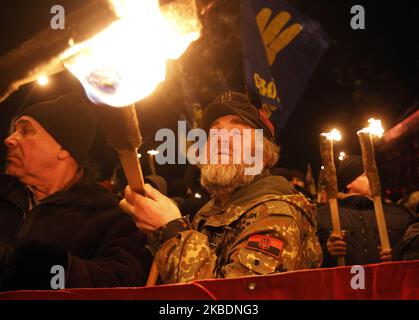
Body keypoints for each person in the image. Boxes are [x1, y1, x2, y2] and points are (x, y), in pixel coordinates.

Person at [121, 91, 322, 284]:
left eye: (237, 131)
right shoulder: (210, 212)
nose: (221, 138)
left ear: (264, 154)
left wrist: (173, 234)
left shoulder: (275, 215)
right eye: (214, 132)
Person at [0, 93, 151, 291]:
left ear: (64, 149)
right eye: (14, 131)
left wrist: (32, 263)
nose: (9, 140)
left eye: (26, 131)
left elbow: (120, 280)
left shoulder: (110, 217)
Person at [317, 155, 416, 267]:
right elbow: (309, 260)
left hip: (386, 281)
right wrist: (326, 251)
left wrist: (397, 256)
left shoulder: (398, 214)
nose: (372, 180)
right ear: (348, 182)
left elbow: (412, 250)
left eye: (373, 175)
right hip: (343, 282)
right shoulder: (323, 216)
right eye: (365, 175)